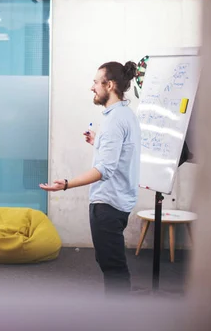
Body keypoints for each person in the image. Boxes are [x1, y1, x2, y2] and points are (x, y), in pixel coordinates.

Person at [40, 61, 141, 296]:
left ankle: (118, 319)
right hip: (118, 202)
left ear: (111, 84)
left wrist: (65, 185)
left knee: (113, 268)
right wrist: (99, 141)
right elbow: (121, 155)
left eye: (96, 82)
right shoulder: (124, 115)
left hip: (108, 204)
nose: (92, 87)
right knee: (110, 264)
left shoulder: (115, 120)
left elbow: (104, 169)